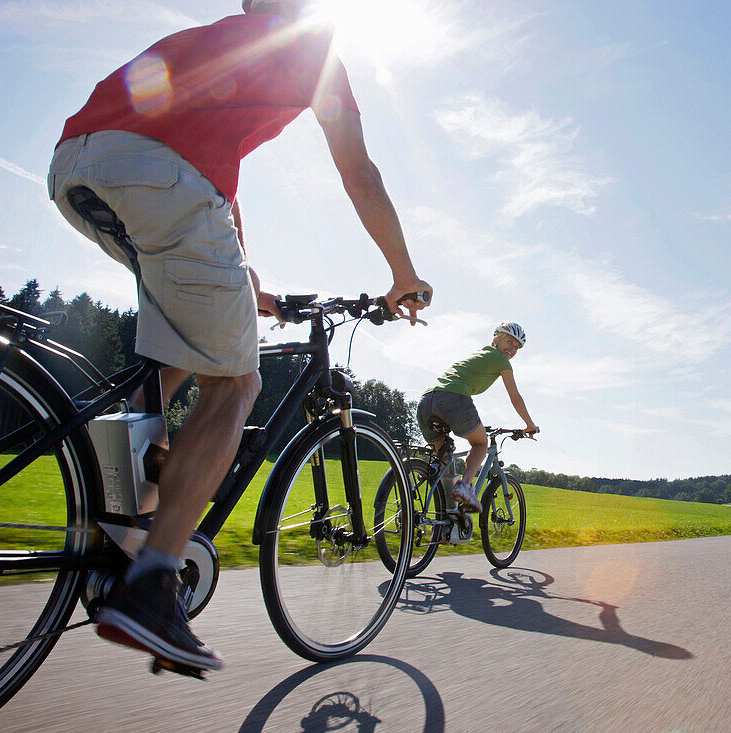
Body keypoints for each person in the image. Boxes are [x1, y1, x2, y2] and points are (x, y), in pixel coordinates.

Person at [48, 0, 430, 673]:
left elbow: (216, 191)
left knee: (171, 361)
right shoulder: (319, 53)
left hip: (82, 159)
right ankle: (154, 581)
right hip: (158, 173)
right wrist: (403, 274)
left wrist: (248, 277)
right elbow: (360, 175)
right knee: (238, 379)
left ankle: (118, 530)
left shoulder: (225, 42)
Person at [416, 322, 538, 512]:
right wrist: (529, 424)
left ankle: (444, 524)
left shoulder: (479, 355)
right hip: (453, 400)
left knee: (445, 465)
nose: (513, 349)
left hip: (426, 403)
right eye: (510, 342)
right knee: (481, 444)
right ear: (496, 339)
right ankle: (465, 488)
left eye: (517, 347)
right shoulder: (500, 360)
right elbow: (515, 397)